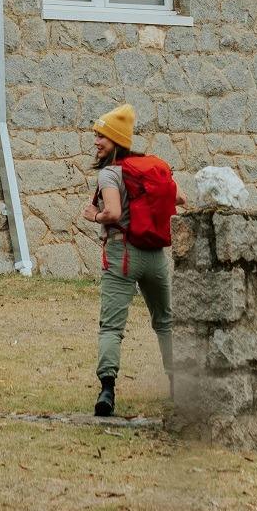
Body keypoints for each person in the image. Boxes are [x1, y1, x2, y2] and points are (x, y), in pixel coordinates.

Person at [81, 103, 174, 418]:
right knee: (165, 322)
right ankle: (179, 385)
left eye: (102, 136)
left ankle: (107, 390)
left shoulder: (110, 173)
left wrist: (94, 215)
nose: (96, 141)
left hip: (122, 254)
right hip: (156, 257)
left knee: (111, 327)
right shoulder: (149, 166)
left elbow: (114, 213)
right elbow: (180, 198)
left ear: (116, 140)